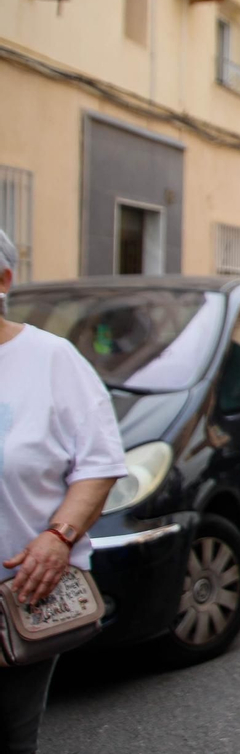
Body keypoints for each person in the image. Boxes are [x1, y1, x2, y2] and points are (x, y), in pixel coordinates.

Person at [0, 228, 128, 752]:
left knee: (11, 732)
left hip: (18, 595)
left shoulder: (51, 360)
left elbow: (99, 463)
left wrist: (59, 537)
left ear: (4, 280)